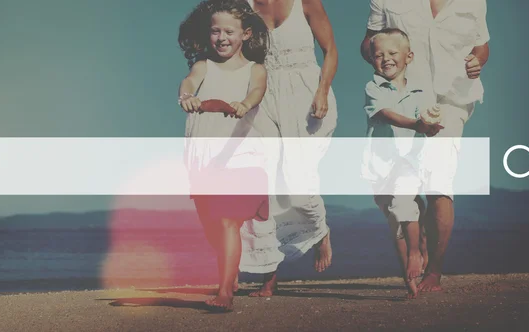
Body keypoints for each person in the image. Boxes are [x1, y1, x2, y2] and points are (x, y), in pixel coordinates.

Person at [361, 0, 491, 292]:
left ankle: (434, 272)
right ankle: (416, 233)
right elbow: (367, 43)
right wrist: (384, 59)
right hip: (402, 97)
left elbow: (482, 45)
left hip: (450, 101)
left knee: (439, 180)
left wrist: (477, 61)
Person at [239, 0, 338, 297]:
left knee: (298, 180)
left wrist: (321, 92)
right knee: (263, 187)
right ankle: (269, 276)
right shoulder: (241, 6)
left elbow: (330, 50)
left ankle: (319, 230)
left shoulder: (306, 2)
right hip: (262, 98)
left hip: (306, 96)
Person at [177, 0, 270, 312]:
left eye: (228, 31)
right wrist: (187, 96)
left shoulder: (254, 70)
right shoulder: (204, 66)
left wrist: (245, 103)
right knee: (211, 225)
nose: (221, 37)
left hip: (241, 155)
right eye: (215, 31)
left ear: (244, 34)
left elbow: (257, 91)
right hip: (205, 158)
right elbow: (189, 82)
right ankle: (230, 276)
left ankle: (225, 292)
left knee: (228, 221)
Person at [362, 28, 443, 298]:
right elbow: (386, 114)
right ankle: (412, 258)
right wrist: (418, 124)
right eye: (378, 55)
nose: (385, 58)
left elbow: (425, 119)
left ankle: (415, 254)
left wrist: (428, 125)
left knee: (402, 204)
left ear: (408, 57)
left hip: (408, 161)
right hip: (379, 165)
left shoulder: (419, 90)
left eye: (392, 53)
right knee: (394, 218)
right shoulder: (373, 87)